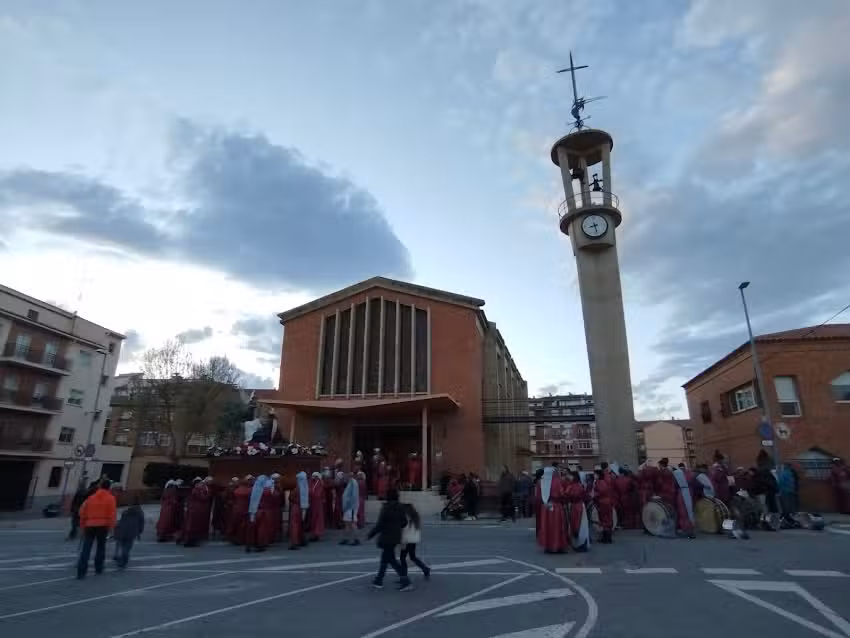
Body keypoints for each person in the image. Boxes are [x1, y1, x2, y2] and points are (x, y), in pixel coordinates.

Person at [367, 489, 411, 591]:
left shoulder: (386, 508)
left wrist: (371, 534)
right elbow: (404, 522)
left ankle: (405, 581)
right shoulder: (400, 508)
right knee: (387, 559)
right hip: (396, 536)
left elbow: (380, 524)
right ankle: (379, 580)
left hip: (386, 536)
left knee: (390, 560)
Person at [77, 478, 117, 579]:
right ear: (109, 487)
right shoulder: (110, 498)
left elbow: (82, 512)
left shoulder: (91, 498)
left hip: (89, 525)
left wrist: (82, 525)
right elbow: (112, 514)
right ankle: (98, 567)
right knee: (101, 547)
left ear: (100, 486)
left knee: (86, 548)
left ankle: (81, 570)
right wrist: (112, 528)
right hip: (103, 526)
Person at [535, 465, 567, 553]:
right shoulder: (557, 481)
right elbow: (561, 493)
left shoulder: (541, 482)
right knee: (557, 527)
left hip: (545, 507)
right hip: (556, 506)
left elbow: (538, 496)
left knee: (547, 526)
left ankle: (548, 546)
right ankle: (558, 546)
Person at [113, 493, 145, 568]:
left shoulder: (126, 511)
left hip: (122, 530)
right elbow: (141, 522)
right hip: (132, 531)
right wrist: (139, 531)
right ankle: (123, 561)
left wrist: (117, 529)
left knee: (123, 545)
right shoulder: (140, 512)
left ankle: (121, 559)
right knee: (127, 547)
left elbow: (121, 521)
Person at [400, 502, 430, 580]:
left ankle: (404, 576)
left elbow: (404, 529)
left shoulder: (406, 517)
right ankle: (425, 568)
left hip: (407, 540)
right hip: (413, 540)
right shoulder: (415, 517)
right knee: (412, 557)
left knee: (403, 558)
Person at [181, 477, 213, 547]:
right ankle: (189, 542)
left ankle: (192, 541)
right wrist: (208, 495)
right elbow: (202, 498)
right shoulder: (195, 490)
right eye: (199, 483)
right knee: (192, 526)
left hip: (196, 510)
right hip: (194, 510)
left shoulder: (197, 490)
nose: (201, 484)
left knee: (194, 526)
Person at [564, 470, 591, 551]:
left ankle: (581, 544)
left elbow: (573, 495)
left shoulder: (576, 486)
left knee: (579, 525)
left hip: (577, 507)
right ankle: (578, 543)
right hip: (576, 506)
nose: (569, 477)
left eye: (571, 476)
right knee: (577, 525)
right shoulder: (575, 485)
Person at [593, 464, 616, 544]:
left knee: (604, 519)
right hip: (607, 501)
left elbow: (601, 492)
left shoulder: (600, 482)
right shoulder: (606, 479)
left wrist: (594, 495)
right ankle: (607, 537)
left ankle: (606, 538)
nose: (594, 476)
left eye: (595, 474)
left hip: (603, 502)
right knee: (608, 519)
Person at [228, 476, 254, 546]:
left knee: (236, 524)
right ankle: (241, 539)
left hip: (236, 509)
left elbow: (232, 499)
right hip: (245, 509)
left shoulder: (237, 490)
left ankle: (235, 539)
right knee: (242, 525)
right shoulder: (250, 490)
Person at [288, 471, 308, 550]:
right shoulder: (305, 487)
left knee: (294, 525)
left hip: (296, 507)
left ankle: (294, 542)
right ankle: (301, 540)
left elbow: (290, 497)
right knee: (300, 525)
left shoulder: (297, 489)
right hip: (303, 508)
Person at [340, 471, 361, 545]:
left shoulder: (353, 483)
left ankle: (356, 539)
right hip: (348, 507)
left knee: (352, 524)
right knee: (347, 524)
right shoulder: (350, 483)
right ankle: (346, 538)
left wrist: (349, 504)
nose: (344, 478)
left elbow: (354, 496)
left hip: (351, 507)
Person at [308, 471, 325, 541]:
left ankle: (316, 533)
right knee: (313, 518)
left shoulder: (319, 483)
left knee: (317, 518)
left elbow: (317, 494)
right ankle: (314, 533)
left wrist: (310, 494)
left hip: (317, 503)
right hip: (313, 503)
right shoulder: (312, 482)